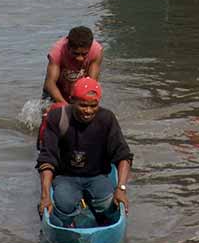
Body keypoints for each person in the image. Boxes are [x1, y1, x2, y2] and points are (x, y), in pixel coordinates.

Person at [36, 77, 133, 227]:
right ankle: (67, 223)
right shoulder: (57, 118)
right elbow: (47, 159)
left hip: (97, 176)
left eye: (93, 106)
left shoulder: (107, 119)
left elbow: (123, 156)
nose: (88, 111)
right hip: (66, 176)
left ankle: (102, 218)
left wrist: (121, 188)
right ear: (72, 100)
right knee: (63, 205)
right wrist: (45, 196)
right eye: (82, 105)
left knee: (108, 205)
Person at [42, 26, 104, 106]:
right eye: (76, 53)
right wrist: (66, 106)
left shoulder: (96, 51)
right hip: (56, 89)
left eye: (84, 54)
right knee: (48, 115)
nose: (80, 58)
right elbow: (50, 84)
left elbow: (91, 83)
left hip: (79, 88)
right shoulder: (57, 52)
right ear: (68, 47)